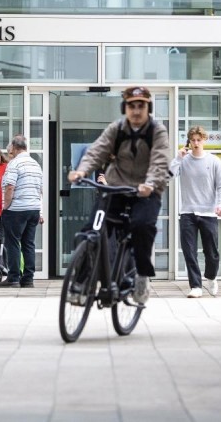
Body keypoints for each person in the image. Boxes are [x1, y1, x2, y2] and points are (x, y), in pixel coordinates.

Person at [67, 85, 171, 304]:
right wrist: (81, 170)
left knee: (142, 227)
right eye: (131, 106)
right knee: (92, 231)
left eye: (141, 106)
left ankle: (141, 276)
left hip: (146, 191)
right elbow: (96, 151)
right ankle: (81, 284)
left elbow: (160, 161)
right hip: (116, 188)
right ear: (125, 107)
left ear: (148, 107)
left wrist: (150, 184)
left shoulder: (157, 131)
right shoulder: (117, 129)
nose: (136, 111)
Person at [169, 126, 221, 298]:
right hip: (188, 212)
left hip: (208, 213)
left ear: (204, 140)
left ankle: (211, 276)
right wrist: (177, 159)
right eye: (192, 140)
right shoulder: (184, 160)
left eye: (198, 140)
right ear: (189, 141)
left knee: (212, 252)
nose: (195, 143)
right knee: (189, 251)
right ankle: (196, 286)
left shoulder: (214, 161)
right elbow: (168, 176)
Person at [0, 135, 44, 288]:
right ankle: (28, 279)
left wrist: (6, 207)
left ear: (15, 149)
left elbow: (10, 186)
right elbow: (40, 190)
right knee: (28, 244)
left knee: (13, 243)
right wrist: (40, 210)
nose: (10, 154)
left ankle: (14, 277)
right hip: (33, 209)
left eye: (10, 151)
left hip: (17, 209)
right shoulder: (36, 164)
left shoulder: (14, 164)